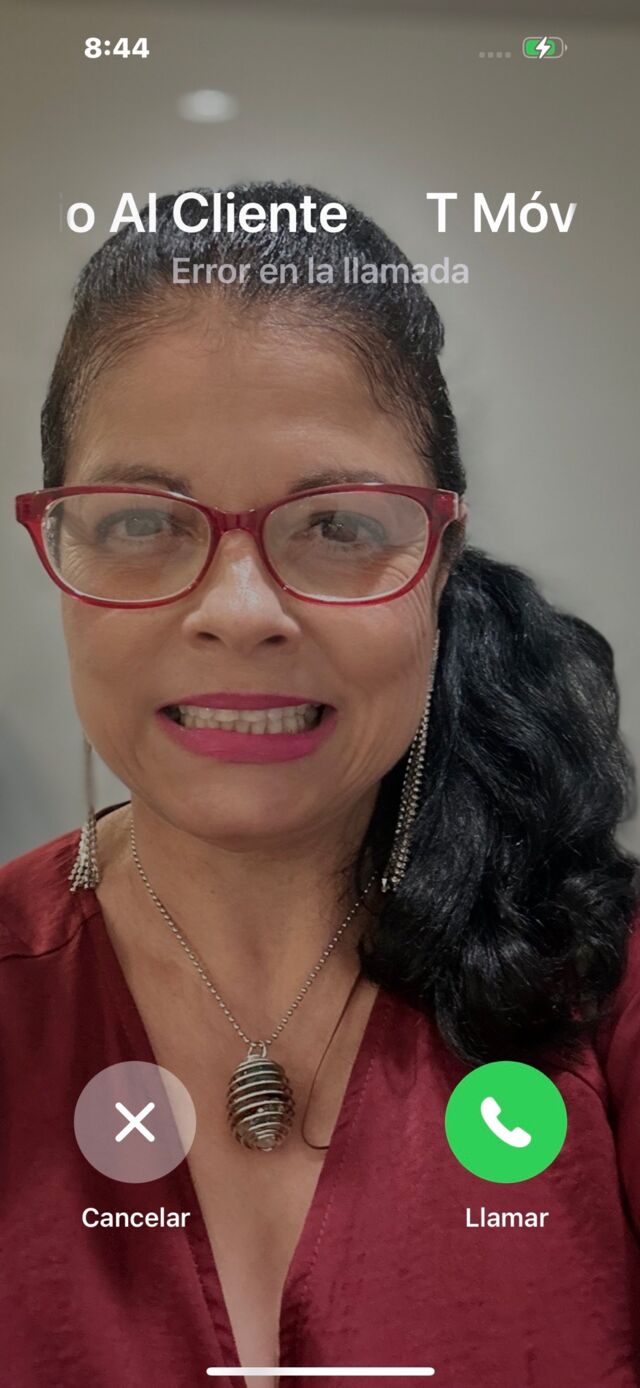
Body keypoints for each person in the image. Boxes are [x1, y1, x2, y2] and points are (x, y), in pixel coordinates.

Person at [3, 181, 640, 1388]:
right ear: (58, 548)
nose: (238, 610)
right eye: (140, 520)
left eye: (338, 523)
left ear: (439, 561)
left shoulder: (604, 986)